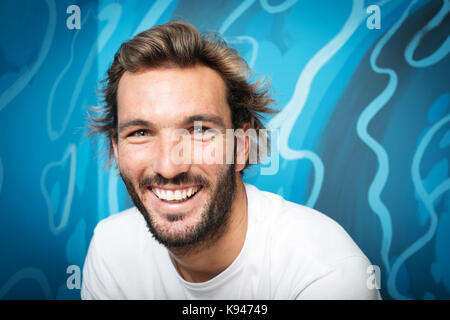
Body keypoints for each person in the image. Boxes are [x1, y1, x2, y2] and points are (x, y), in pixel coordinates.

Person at [82, 21, 381, 300]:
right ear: (117, 149)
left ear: (241, 147)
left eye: (199, 130)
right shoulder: (111, 252)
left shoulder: (325, 273)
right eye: (141, 132)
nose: (168, 167)